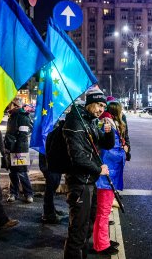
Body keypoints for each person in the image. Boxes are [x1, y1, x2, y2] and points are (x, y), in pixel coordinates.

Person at [62, 88, 115, 259]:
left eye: (103, 106)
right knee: (77, 230)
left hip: (89, 181)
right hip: (79, 182)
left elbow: (105, 144)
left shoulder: (90, 121)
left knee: (86, 228)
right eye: (99, 105)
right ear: (90, 103)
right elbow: (77, 157)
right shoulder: (76, 122)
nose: (101, 109)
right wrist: (99, 169)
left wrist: (109, 132)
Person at [93, 101, 127, 255]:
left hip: (108, 175)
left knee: (104, 211)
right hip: (107, 175)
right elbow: (108, 152)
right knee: (103, 211)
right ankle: (101, 244)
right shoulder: (108, 125)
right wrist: (123, 152)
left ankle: (103, 240)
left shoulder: (108, 123)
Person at [4, 97, 34, 203]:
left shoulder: (22, 116)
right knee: (13, 172)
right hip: (12, 148)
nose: (8, 106)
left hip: (19, 149)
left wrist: (15, 147)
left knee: (21, 172)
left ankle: (28, 194)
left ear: (15, 105)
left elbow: (23, 135)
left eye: (10, 104)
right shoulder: (12, 115)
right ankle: (13, 193)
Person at [39, 149, 65, 224]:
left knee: (53, 188)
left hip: (56, 166)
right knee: (49, 191)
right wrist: (44, 169)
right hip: (50, 168)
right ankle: (48, 214)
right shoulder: (45, 138)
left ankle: (51, 209)